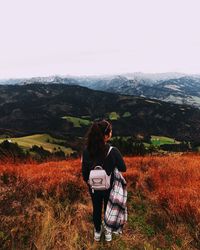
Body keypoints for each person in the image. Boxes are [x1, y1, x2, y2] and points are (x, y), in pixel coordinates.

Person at [81, 119, 127, 242]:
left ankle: (97, 232)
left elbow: (84, 174)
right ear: (106, 135)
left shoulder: (86, 151)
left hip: (94, 188)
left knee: (96, 209)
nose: (111, 134)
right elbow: (123, 168)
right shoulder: (113, 151)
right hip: (109, 186)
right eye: (110, 132)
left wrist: (91, 182)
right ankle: (108, 232)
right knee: (108, 209)